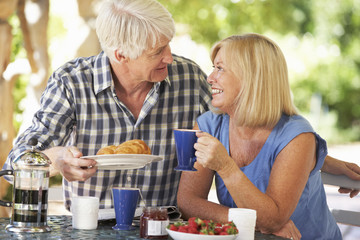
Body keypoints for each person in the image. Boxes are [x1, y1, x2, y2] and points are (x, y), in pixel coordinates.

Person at [2, 0, 359, 220]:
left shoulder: (188, 77)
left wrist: (317, 154)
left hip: (171, 225)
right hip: (92, 224)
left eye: (169, 45)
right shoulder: (71, 82)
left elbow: (250, 119)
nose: (170, 58)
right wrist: (56, 159)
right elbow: (17, 161)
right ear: (120, 54)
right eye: (157, 51)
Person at [177, 34, 345, 240]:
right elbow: (188, 202)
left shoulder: (297, 136)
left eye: (220, 68)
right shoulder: (209, 125)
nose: (210, 78)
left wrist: (226, 166)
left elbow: (272, 220)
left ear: (252, 76)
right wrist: (245, 220)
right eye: (213, 67)